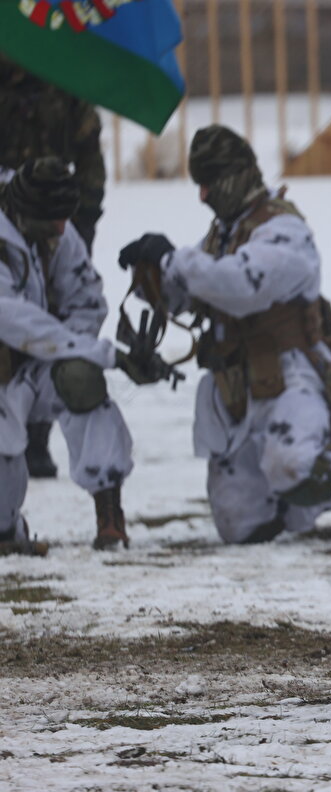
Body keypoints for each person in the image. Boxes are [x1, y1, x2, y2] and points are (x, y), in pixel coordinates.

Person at [118, 125, 331, 545]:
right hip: (236, 388)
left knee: (290, 465)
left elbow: (240, 285)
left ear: (240, 175)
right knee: (239, 526)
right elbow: (191, 295)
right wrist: (151, 276)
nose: (204, 196)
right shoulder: (222, 234)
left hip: (293, 381)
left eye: (210, 184)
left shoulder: (284, 230)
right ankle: (290, 508)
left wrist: (172, 259)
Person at [0, 157, 132, 554]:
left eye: (64, 220)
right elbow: (10, 317)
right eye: (53, 222)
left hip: (35, 365)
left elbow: (87, 301)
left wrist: (71, 351)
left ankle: (109, 514)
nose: (62, 229)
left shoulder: (53, 223)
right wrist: (96, 351)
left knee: (80, 379)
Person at [0, 56, 108, 479]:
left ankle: (37, 438)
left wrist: (81, 220)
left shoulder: (65, 82)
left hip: (55, 220)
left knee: (55, 318)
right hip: (7, 216)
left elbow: (89, 155)